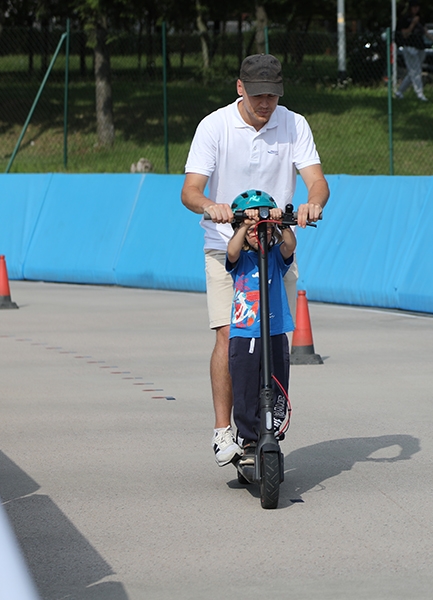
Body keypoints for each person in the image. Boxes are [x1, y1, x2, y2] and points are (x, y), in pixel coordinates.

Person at [181, 53, 329, 467]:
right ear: (240, 88)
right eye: (259, 94)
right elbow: (190, 190)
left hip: (276, 247)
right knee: (232, 336)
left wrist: (310, 205)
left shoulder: (294, 123)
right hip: (226, 246)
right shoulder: (215, 126)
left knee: (274, 338)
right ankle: (222, 431)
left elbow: (316, 180)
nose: (267, 103)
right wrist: (212, 206)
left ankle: (266, 426)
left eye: (274, 95)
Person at [226, 193, 296, 465]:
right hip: (246, 335)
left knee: (277, 384)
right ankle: (249, 439)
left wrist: (282, 224)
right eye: (253, 230)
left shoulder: (276, 257)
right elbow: (231, 252)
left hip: (275, 332)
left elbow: (289, 246)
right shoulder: (241, 260)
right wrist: (245, 223)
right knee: (244, 387)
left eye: (263, 228)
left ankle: (272, 430)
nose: (258, 232)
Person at [395, 0, 433, 102]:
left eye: (417, 7)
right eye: (414, 7)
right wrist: (413, 24)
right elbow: (405, 34)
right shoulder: (405, 19)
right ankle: (420, 94)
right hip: (410, 47)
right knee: (416, 71)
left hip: (420, 47)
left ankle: (399, 92)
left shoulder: (420, 19)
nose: (416, 9)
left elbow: (425, 32)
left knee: (413, 71)